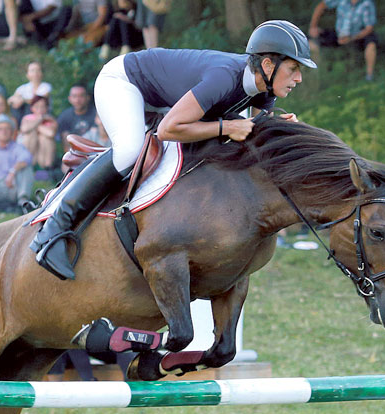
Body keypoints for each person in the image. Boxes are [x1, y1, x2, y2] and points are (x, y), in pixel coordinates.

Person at [29, 20, 316, 280]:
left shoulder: (262, 89)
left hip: (165, 99)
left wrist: (277, 126)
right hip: (124, 82)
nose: (299, 78)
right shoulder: (225, 78)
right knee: (129, 150)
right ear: (268, 65)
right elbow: (169, 129)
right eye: (294, 69)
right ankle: (54, 228)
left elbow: (252, 129)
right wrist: (227, 127)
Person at [308, 0, 377, 80]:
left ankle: (369, 76)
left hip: (358, 36)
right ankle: (316, 74)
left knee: (371, 44)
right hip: (339, 34)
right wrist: (313, 26)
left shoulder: (367, 3)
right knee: (311, 42)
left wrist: (351, 38)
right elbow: (321, 6)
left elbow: (369, 28)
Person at [17, 94, 57, 171]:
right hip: (30, 148)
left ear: (47, 108)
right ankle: (28, 165)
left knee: (45, 138)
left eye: (43, 106)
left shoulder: (51, 119)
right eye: (37, 106)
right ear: (32, 108)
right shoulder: (27, 118)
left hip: (43, 151)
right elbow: (24, 129)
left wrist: (34, 125)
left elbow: (51, 134)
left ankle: (47, 168)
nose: (40, 109)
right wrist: (40, 120)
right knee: (30, 135)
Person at [56, 83, 96, 150]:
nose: (77, 100)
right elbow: (65, 143)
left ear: (88, 97)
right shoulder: (65, 117)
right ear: (69, 99)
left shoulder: (96, 114)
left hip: (95, 152)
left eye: (81, 96)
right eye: (74, 96)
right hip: (74, 153)